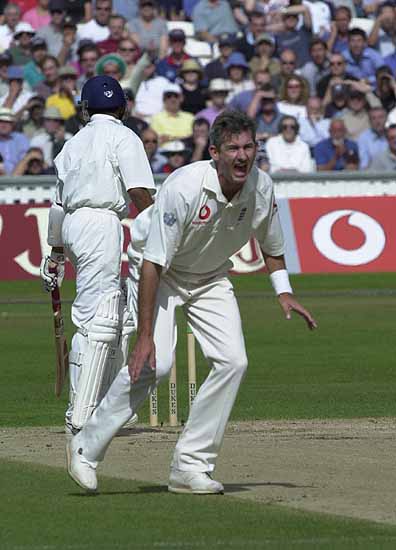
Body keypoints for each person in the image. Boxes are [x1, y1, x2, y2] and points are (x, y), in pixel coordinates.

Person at [66, 109, 317, 494]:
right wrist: (145, 336)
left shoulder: (261, 188)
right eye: (233, 148)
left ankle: (190, 467)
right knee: (157, 363)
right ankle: (86, 446)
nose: (242, 156)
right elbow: (152, 262)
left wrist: (283, 291)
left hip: (211, 275)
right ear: (214, 152)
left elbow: (272, 244)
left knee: (234, 361)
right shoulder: (184, 187)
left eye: (249, 147)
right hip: (159, 269)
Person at [40, 75, 155, 439]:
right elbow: (138, 192)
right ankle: (81, 414)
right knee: (99, 318)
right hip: (102, 223)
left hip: (73, 226)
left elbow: (58, 206)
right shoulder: (125, 137)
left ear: (85, 109)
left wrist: (55, 254)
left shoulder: (71, 144)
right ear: (122, 108)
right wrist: (163, 232)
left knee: (116, 316)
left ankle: (110, 406)